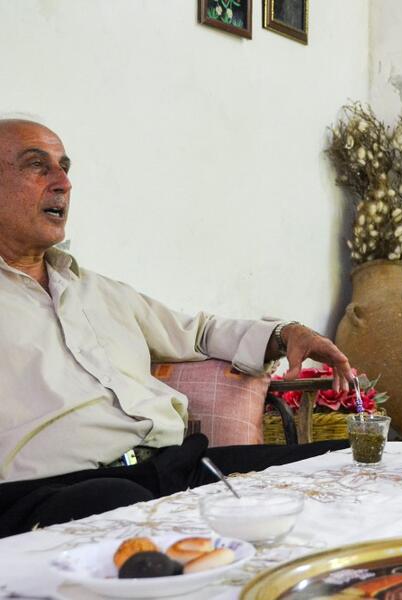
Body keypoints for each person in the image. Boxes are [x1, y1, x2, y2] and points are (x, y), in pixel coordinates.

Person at [0, 119, 354, 536]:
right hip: (51, 492)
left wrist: (285, 334)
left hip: (173, 469)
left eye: (65, 167)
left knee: (342, 462)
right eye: (37, 166)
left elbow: (197, 333)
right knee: (115, 504)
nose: (63, 183)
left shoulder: (97, 290)